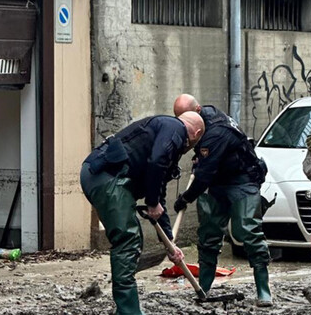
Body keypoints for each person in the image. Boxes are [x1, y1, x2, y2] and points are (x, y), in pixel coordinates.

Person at [80, 111, 204, 315]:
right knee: (127, 240)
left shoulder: (162, 136)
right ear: (196, 133)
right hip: (106, 177)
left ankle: (127, 308)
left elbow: (159, 192)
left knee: (129, 239)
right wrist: (152, 202)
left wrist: (170, 243)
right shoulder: (175, 129)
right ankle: (129, 312)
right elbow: (156, 163)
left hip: (100, 176)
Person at [172, 94, 272, 306]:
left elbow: (204, 176)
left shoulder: (216, 132)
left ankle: (264, 289)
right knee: (208, 233)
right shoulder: (203, 118)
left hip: (243, 179)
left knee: (248, 230)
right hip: (218, 182)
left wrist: (186, 198)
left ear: (197, 111)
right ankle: (204, 288)